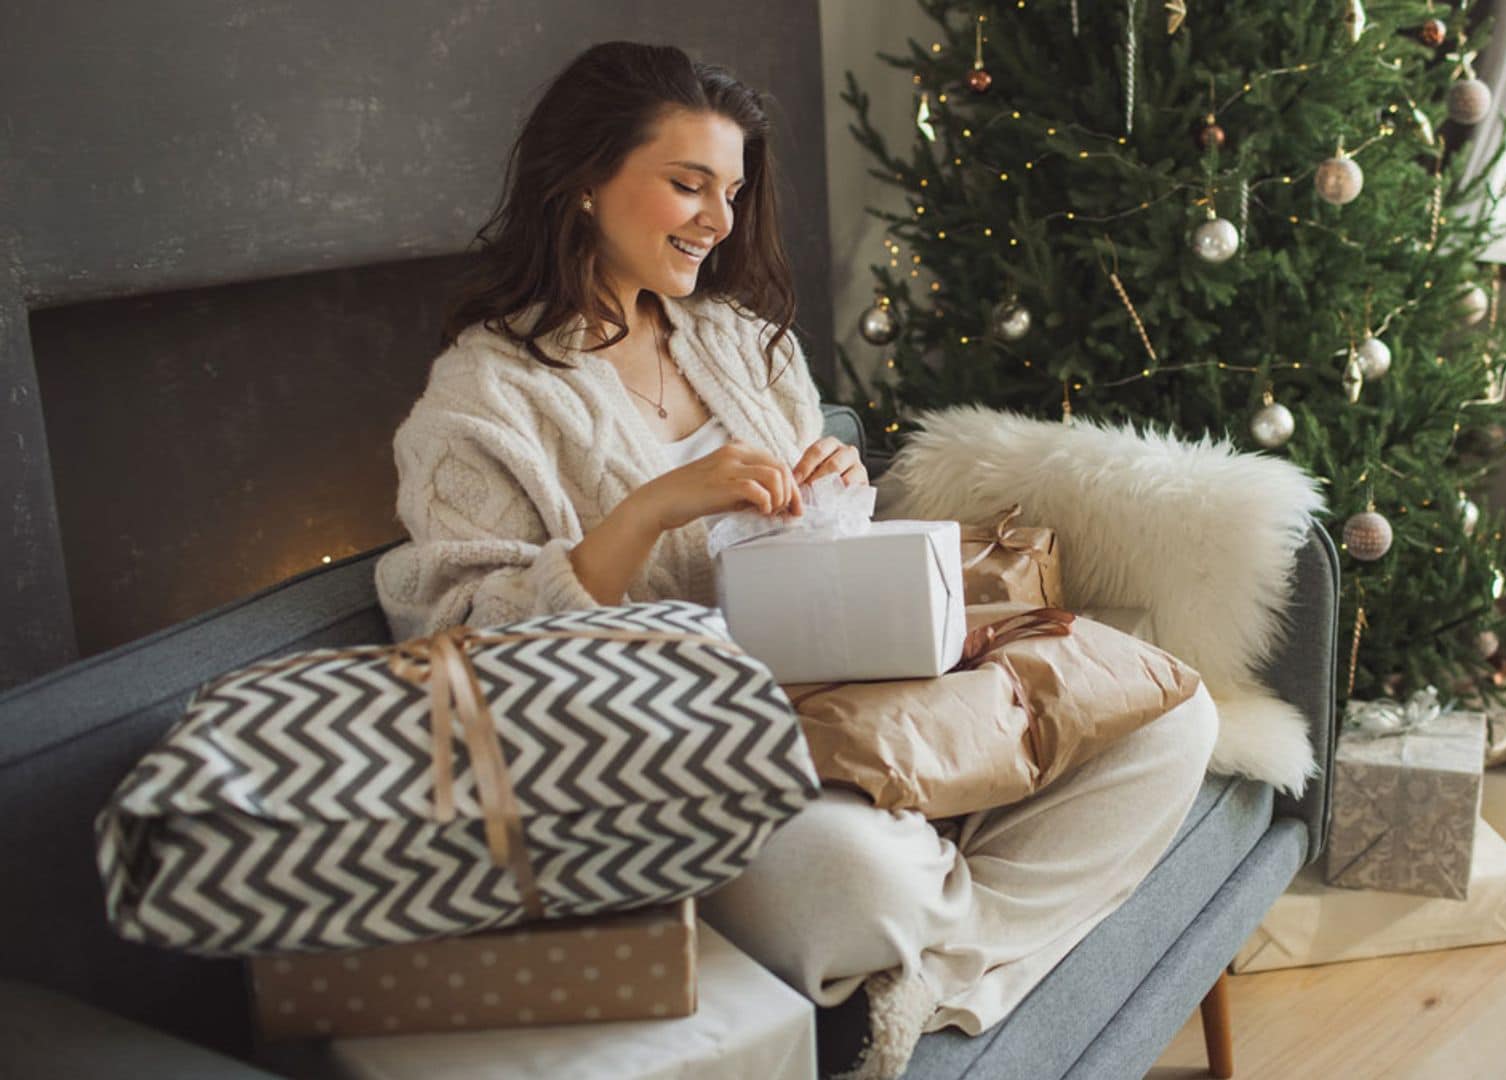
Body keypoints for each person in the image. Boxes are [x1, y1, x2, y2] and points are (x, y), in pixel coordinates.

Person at [374, 42, 1217, 1080]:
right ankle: (936, 912)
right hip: (707, 771)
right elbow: (451, 639)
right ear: (584, 181)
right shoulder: (484, 397)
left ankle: (930, 978)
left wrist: (836, 492)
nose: (719, 221)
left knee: (1176, 720)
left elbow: (815, 553)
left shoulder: (740, 340)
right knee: (852, 882)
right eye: (687, 184)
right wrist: (643, 515)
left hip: (858, 704)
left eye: (729, 191)